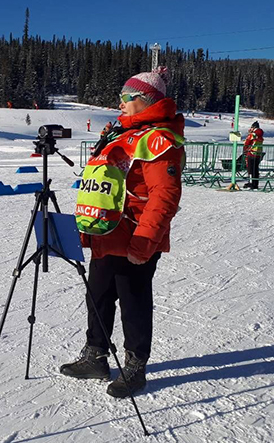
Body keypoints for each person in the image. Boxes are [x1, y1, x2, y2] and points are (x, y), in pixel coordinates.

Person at [64, 68, 185, 399]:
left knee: (133, 302)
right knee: (98, 296)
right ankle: (96, 355)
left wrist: (145, 241)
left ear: (145, 101)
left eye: (127, 97)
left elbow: (165, 196)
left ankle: (135, 365)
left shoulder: (159, 139)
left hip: (135, 237)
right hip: (106, 234)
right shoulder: (123, 133)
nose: (121, 102)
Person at [243, 121, 264, 189]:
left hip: (252, 153)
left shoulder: (253, 134)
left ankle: (252, 183)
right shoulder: (260, 135)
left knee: (251, 169)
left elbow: (247, 141)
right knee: (255, 169)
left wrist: (245, 148)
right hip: (257, 153)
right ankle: (255, 183)